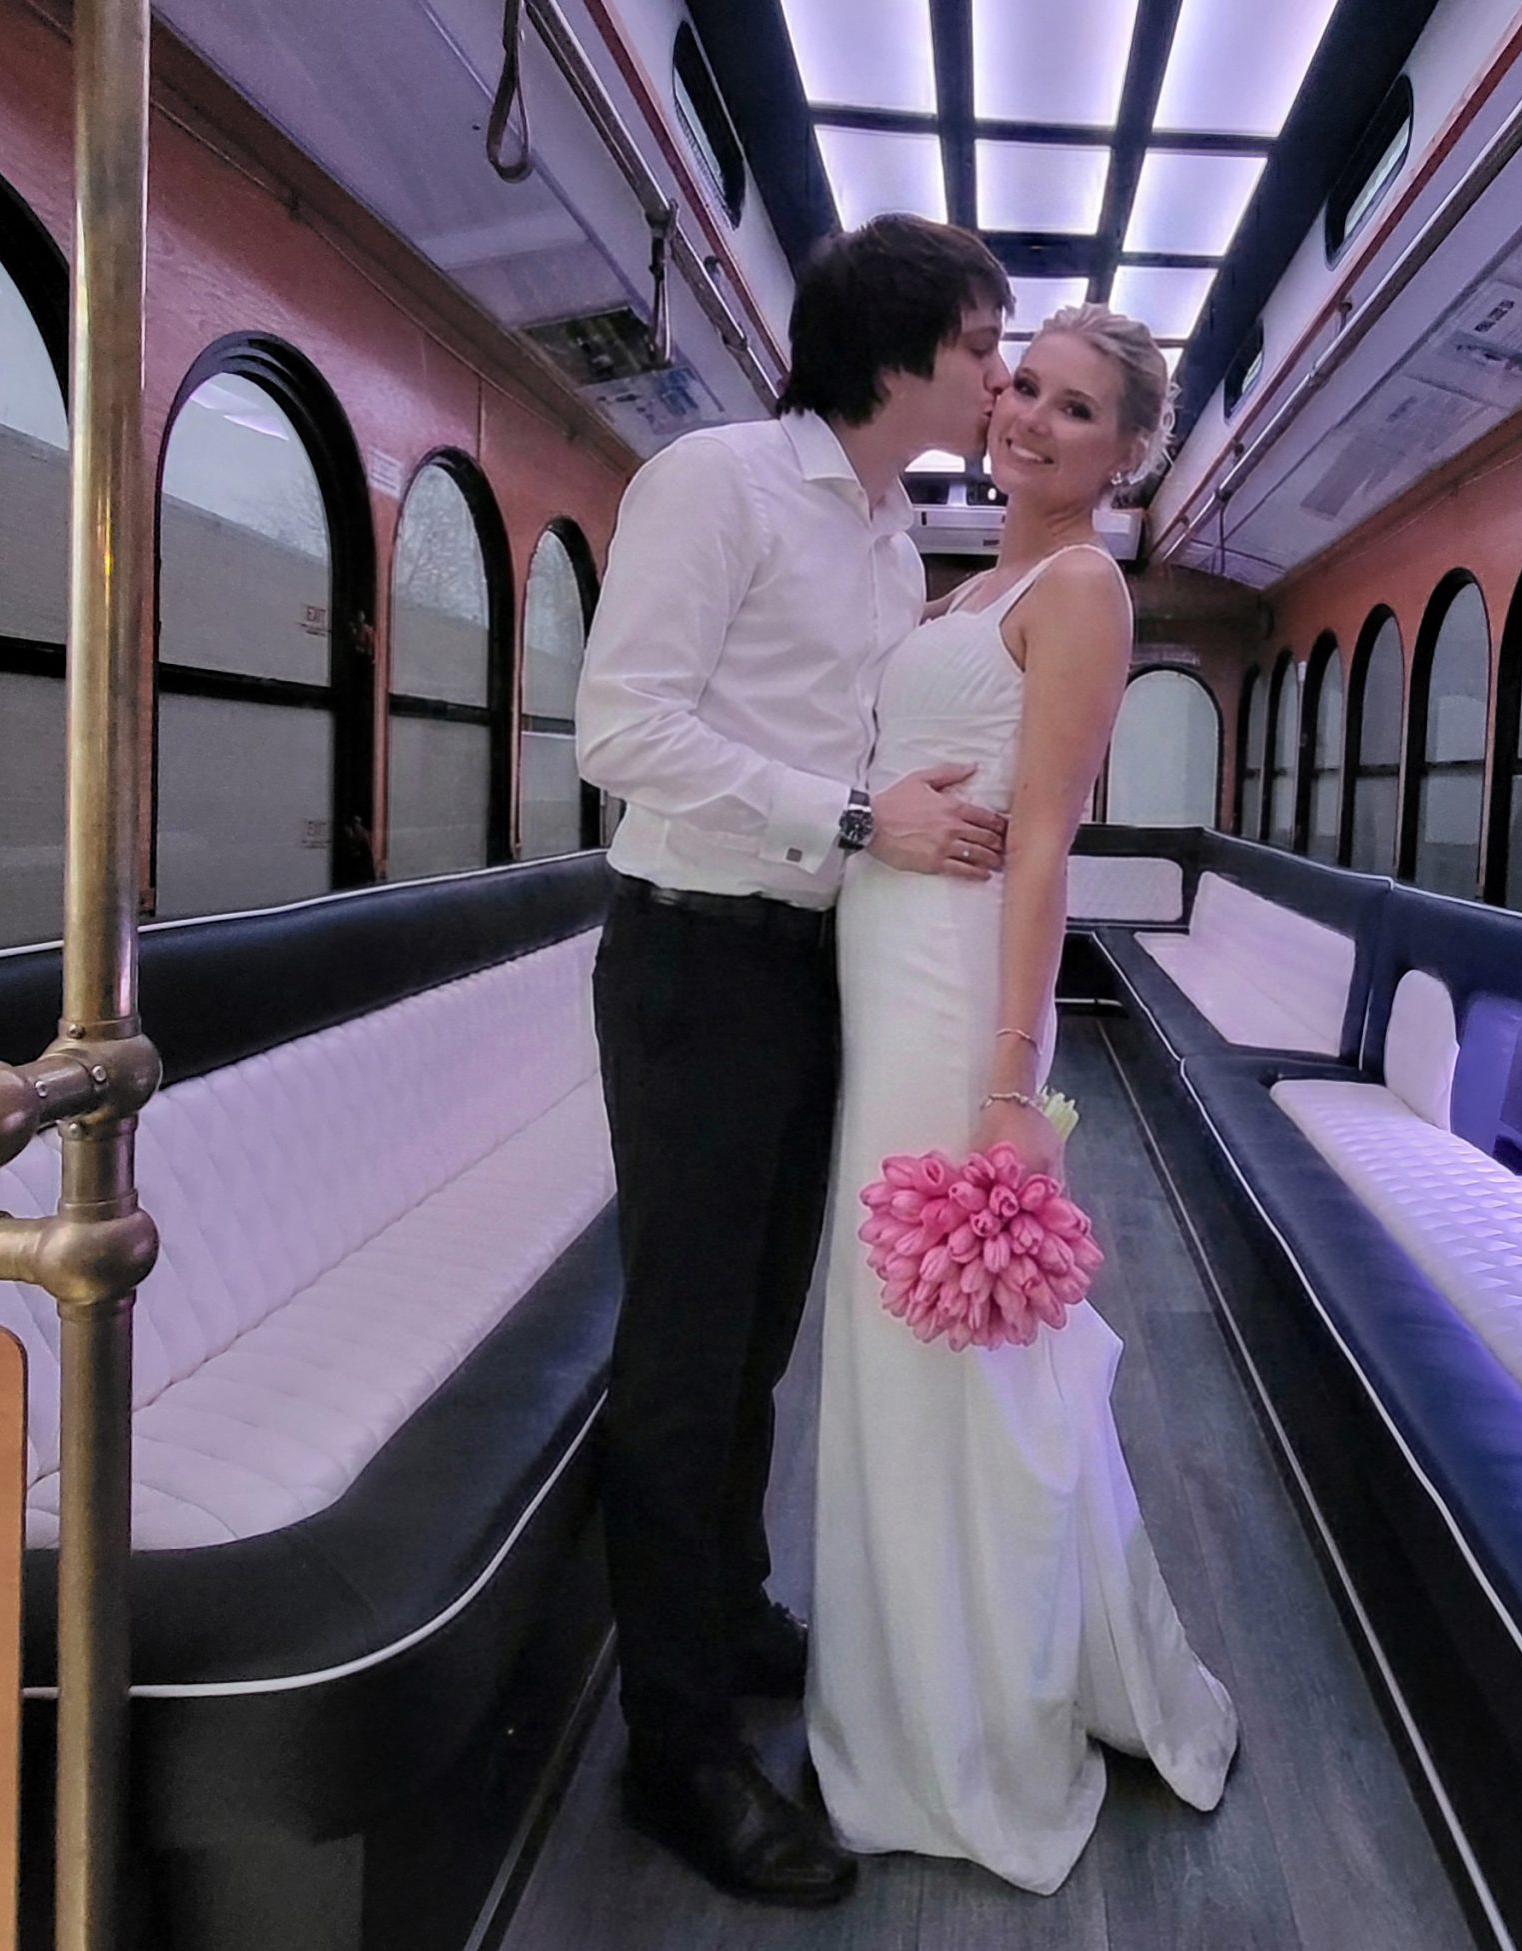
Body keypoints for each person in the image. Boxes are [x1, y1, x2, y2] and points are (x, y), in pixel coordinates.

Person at [574, 213, 1015, 1909]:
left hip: (812, 967)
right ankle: (672, 1753)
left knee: (760, 1329)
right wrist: (851, 817)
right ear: (901, 347)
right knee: (684, 1354)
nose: (995, 376)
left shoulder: (896, 533)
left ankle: (727, 1608)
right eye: (984, 344)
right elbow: (623, 727)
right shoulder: (719, 483)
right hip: (693, 959)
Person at [808, 304, 1241, 1894]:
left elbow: (1044, 841)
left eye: (1078, 410)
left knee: (954, 1352)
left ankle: (970, 1723)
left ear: (1128, 455)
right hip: (885, 967)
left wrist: (1011, 1081)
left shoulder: (1082, 591)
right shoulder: (969, 579)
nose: (1035, 421)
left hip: (955, 1002)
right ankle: (906, 1685)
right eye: (1027, 390)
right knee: (889, 1340)